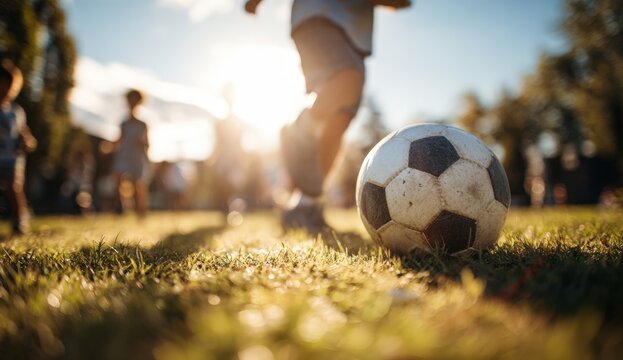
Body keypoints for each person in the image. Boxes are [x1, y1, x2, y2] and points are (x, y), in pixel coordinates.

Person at [244, 0, 411, 232]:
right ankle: (299, 130)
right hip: (321, 14)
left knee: (340, 116)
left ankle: (304, 204)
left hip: (353, 32)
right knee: (348, 79)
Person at [0, 60, 37, 236]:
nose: (6, 90)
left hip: (12, 158)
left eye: (10, 86)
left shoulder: (16, 112)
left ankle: (19, 221)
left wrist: (27, 141)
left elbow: (25, 134)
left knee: (13, 188)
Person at [113, 89, 150, 218]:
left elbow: (148, 144)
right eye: (130, 100)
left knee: (138, 185)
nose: (132, 103)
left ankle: (141, 210)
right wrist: (109, 146)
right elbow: (120, 140)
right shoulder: (123, 123)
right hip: (124, 156)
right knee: (118, 178)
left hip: (137, 157)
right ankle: (121, 206)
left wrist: (142, 143)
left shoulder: (143, 125)